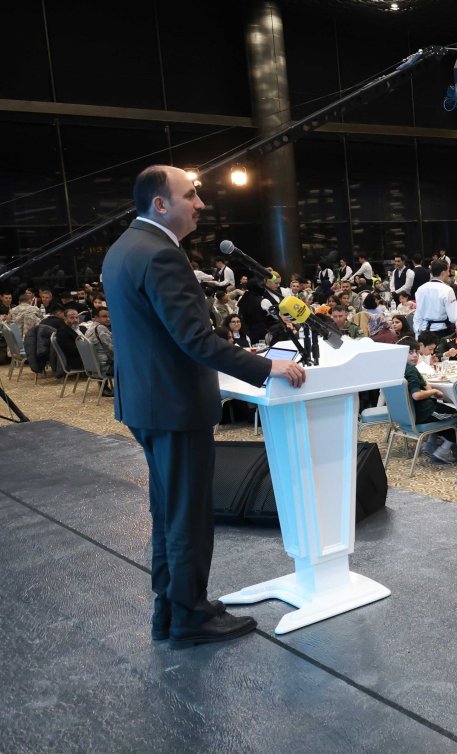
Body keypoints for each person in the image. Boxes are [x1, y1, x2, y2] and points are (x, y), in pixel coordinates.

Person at [103, 165, 305, 647]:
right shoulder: (162, 255)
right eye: (190, 195)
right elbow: (195, 339)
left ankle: (172, 610)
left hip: (147, 402)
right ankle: (189, 618)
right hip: (174, 406)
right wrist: (266, 367)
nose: (200, 204)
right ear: (160, 204)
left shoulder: (123, 248)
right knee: (188, 516)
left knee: (168, 511)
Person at [401, 337, 455, 464]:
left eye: (416, 352)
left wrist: (428, 388)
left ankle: (430, 445)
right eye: (410, 352)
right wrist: (434, 391)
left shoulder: (401, 368)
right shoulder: (410, 370)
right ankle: (444, 450)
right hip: (423, 412)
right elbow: (416, 395)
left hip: (407, 415)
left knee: (443, 408)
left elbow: (425, 385)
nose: (415, 355)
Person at [413, 260, 457, 336]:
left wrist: (417, 333)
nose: (449, 274)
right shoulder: (447, 290)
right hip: (441, 332)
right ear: (443, 273)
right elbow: (454, 317)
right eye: (448, 271)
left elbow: (418, 314)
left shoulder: (420, 289)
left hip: (423, 331)